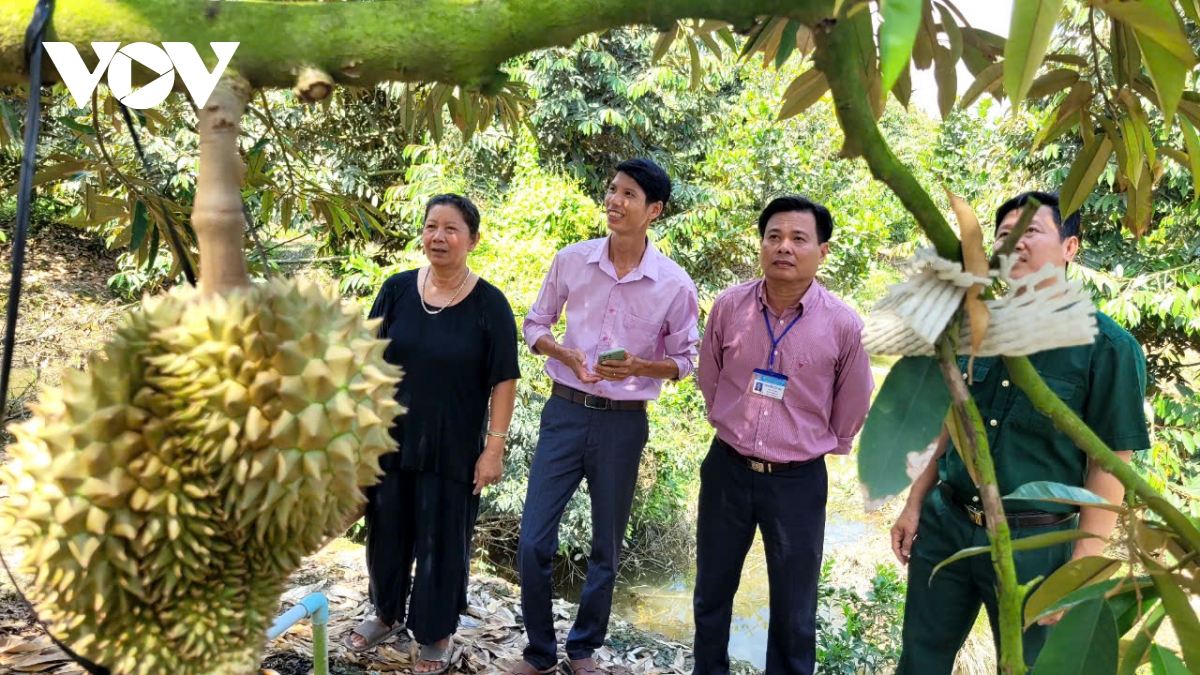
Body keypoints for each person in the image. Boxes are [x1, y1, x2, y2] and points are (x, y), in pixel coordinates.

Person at [891, 191, 1152, 672]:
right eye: (1004, 235)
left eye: (1030, 232)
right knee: (920, 661)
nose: (1014, 245)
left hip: (1037, 549)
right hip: (947, 526)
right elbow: (952, 424)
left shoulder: (1109, 347)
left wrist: (1081, 566)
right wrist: (914, 500)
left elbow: (1110, 465)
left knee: (1029, 667)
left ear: (1070, 248)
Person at [511, 158, 700, 675]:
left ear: (654, 210)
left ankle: (583, 648)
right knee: (533, 540)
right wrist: (563, 353)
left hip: (624, 423)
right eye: (612, 190)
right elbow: (534, 324)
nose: (615, 201)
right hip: (564, 412)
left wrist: (643, 366)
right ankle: (538, 651)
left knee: (606, 546)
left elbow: (687, 360)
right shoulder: (571, 260)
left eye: (629, 195)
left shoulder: (675, 284)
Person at [692, 196, 874, 675]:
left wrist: (819, 443)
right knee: (712, 590)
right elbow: (709, 377)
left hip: (797, 482)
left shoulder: (842, 324)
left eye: (798, 238)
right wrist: (730, 420)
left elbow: (853, 403)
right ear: (761, 244)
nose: (784, 247)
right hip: (727, 467)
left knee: (794, 609)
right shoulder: (731, 306)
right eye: (773, 236)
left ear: (823, 251)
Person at [344, 194, 522, 675]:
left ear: (472, 239)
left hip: (454, 446)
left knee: (443, 539)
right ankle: (385, 612)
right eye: (430, 227)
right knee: (386, 532)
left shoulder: (491, 305)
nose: (438, 237)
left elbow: (503, 380)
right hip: (391, 438)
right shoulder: (397, 289)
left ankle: (436, 633)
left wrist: (494, 447)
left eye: (451, 229)